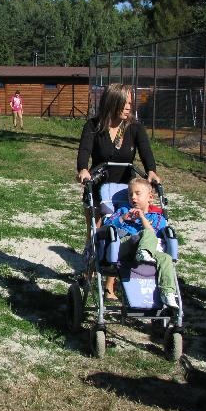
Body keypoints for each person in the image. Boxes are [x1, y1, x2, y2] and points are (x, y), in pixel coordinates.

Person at [76, 83, 161, 299]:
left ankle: (109, 285)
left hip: (123, 192)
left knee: (120, 230)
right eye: (126, 103)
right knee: (96, 231)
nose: (130, 107)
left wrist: (151, 171)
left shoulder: (134, 128)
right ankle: (88, 273)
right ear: (113, 102)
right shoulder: (94, 126)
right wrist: (83, 169)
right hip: (97, 188)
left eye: (131, 103)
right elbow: (84, 150)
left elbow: (146, 151)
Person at [102, 178, 178, 309]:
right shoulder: (123, 211)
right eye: (130, 194)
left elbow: (155, 234)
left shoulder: (157, 217)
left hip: (150, 251)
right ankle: (143, 253)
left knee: (166, 258)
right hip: (125, 246)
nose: (133, 197)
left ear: (150, 197)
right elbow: (106, 226)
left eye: (138, 194)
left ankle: (167, 292)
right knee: (142, 235)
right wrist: (122, 218)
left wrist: (142, 218)